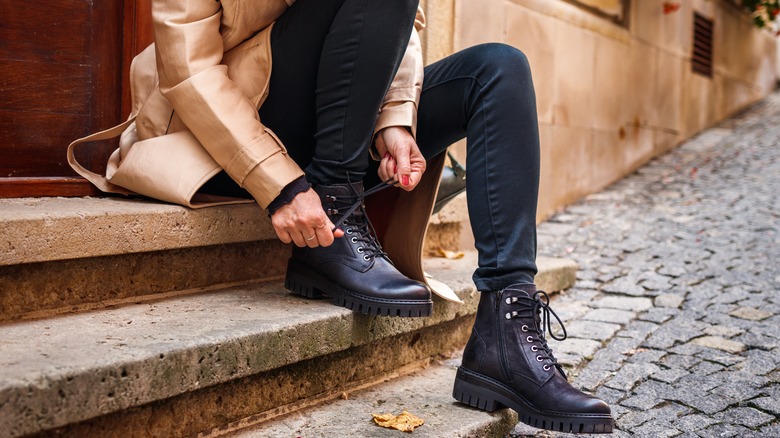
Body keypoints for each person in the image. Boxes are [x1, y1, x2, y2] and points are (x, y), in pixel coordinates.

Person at [98, 0, 615, 433]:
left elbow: (398, 27)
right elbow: (188, 70)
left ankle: (506, 326)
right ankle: (334, 205)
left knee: (498, 69)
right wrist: (280, 185)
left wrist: (394, 120)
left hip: (336, 122)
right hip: (224, 136)